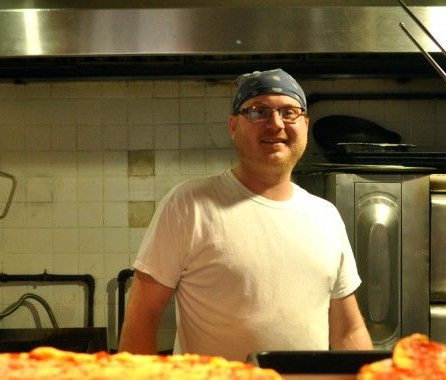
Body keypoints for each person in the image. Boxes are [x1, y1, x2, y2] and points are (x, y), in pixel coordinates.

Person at [119, 68, 373, 361]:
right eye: (258, 112)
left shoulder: (326, 216)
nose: (275, 124)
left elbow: (348, 331)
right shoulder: (188, 205)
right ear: (233, 126)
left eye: (288, 112)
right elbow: (142, 318)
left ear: (305, 124)